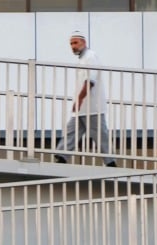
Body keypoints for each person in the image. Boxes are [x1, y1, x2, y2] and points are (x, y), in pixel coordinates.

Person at [54, 30, 116, 168]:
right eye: (71, 44)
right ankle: (61, 156)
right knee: (71, 130)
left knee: (100, 135)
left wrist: (80, 99)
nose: (73, 46)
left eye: (75, 43)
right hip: (82, 108)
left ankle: (110, 162)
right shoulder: (82, 58)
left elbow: (90, 81)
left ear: (84, 42)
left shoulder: (90, 56)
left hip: (92, 106)